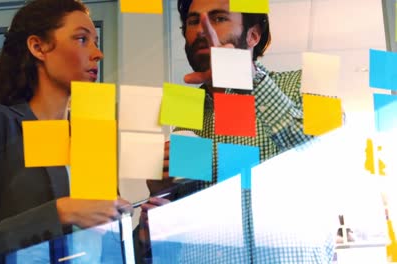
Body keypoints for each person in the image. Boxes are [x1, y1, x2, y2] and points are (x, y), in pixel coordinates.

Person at [137, 0, 335, 262]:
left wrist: (244, 75)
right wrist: (158, 199)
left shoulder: (305, 81)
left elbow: (328, 151)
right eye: (194, 21)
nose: (201, 30)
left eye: (218, 18)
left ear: (253, 35)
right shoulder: (184, 112)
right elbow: (178, 229)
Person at [0, 0, 131, 263]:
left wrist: (141, 235)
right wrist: (61, 211)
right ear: (38, 47)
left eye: (96, 42)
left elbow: (100, 250)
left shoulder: (91, 141)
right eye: (81, 39)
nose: (97, 53)